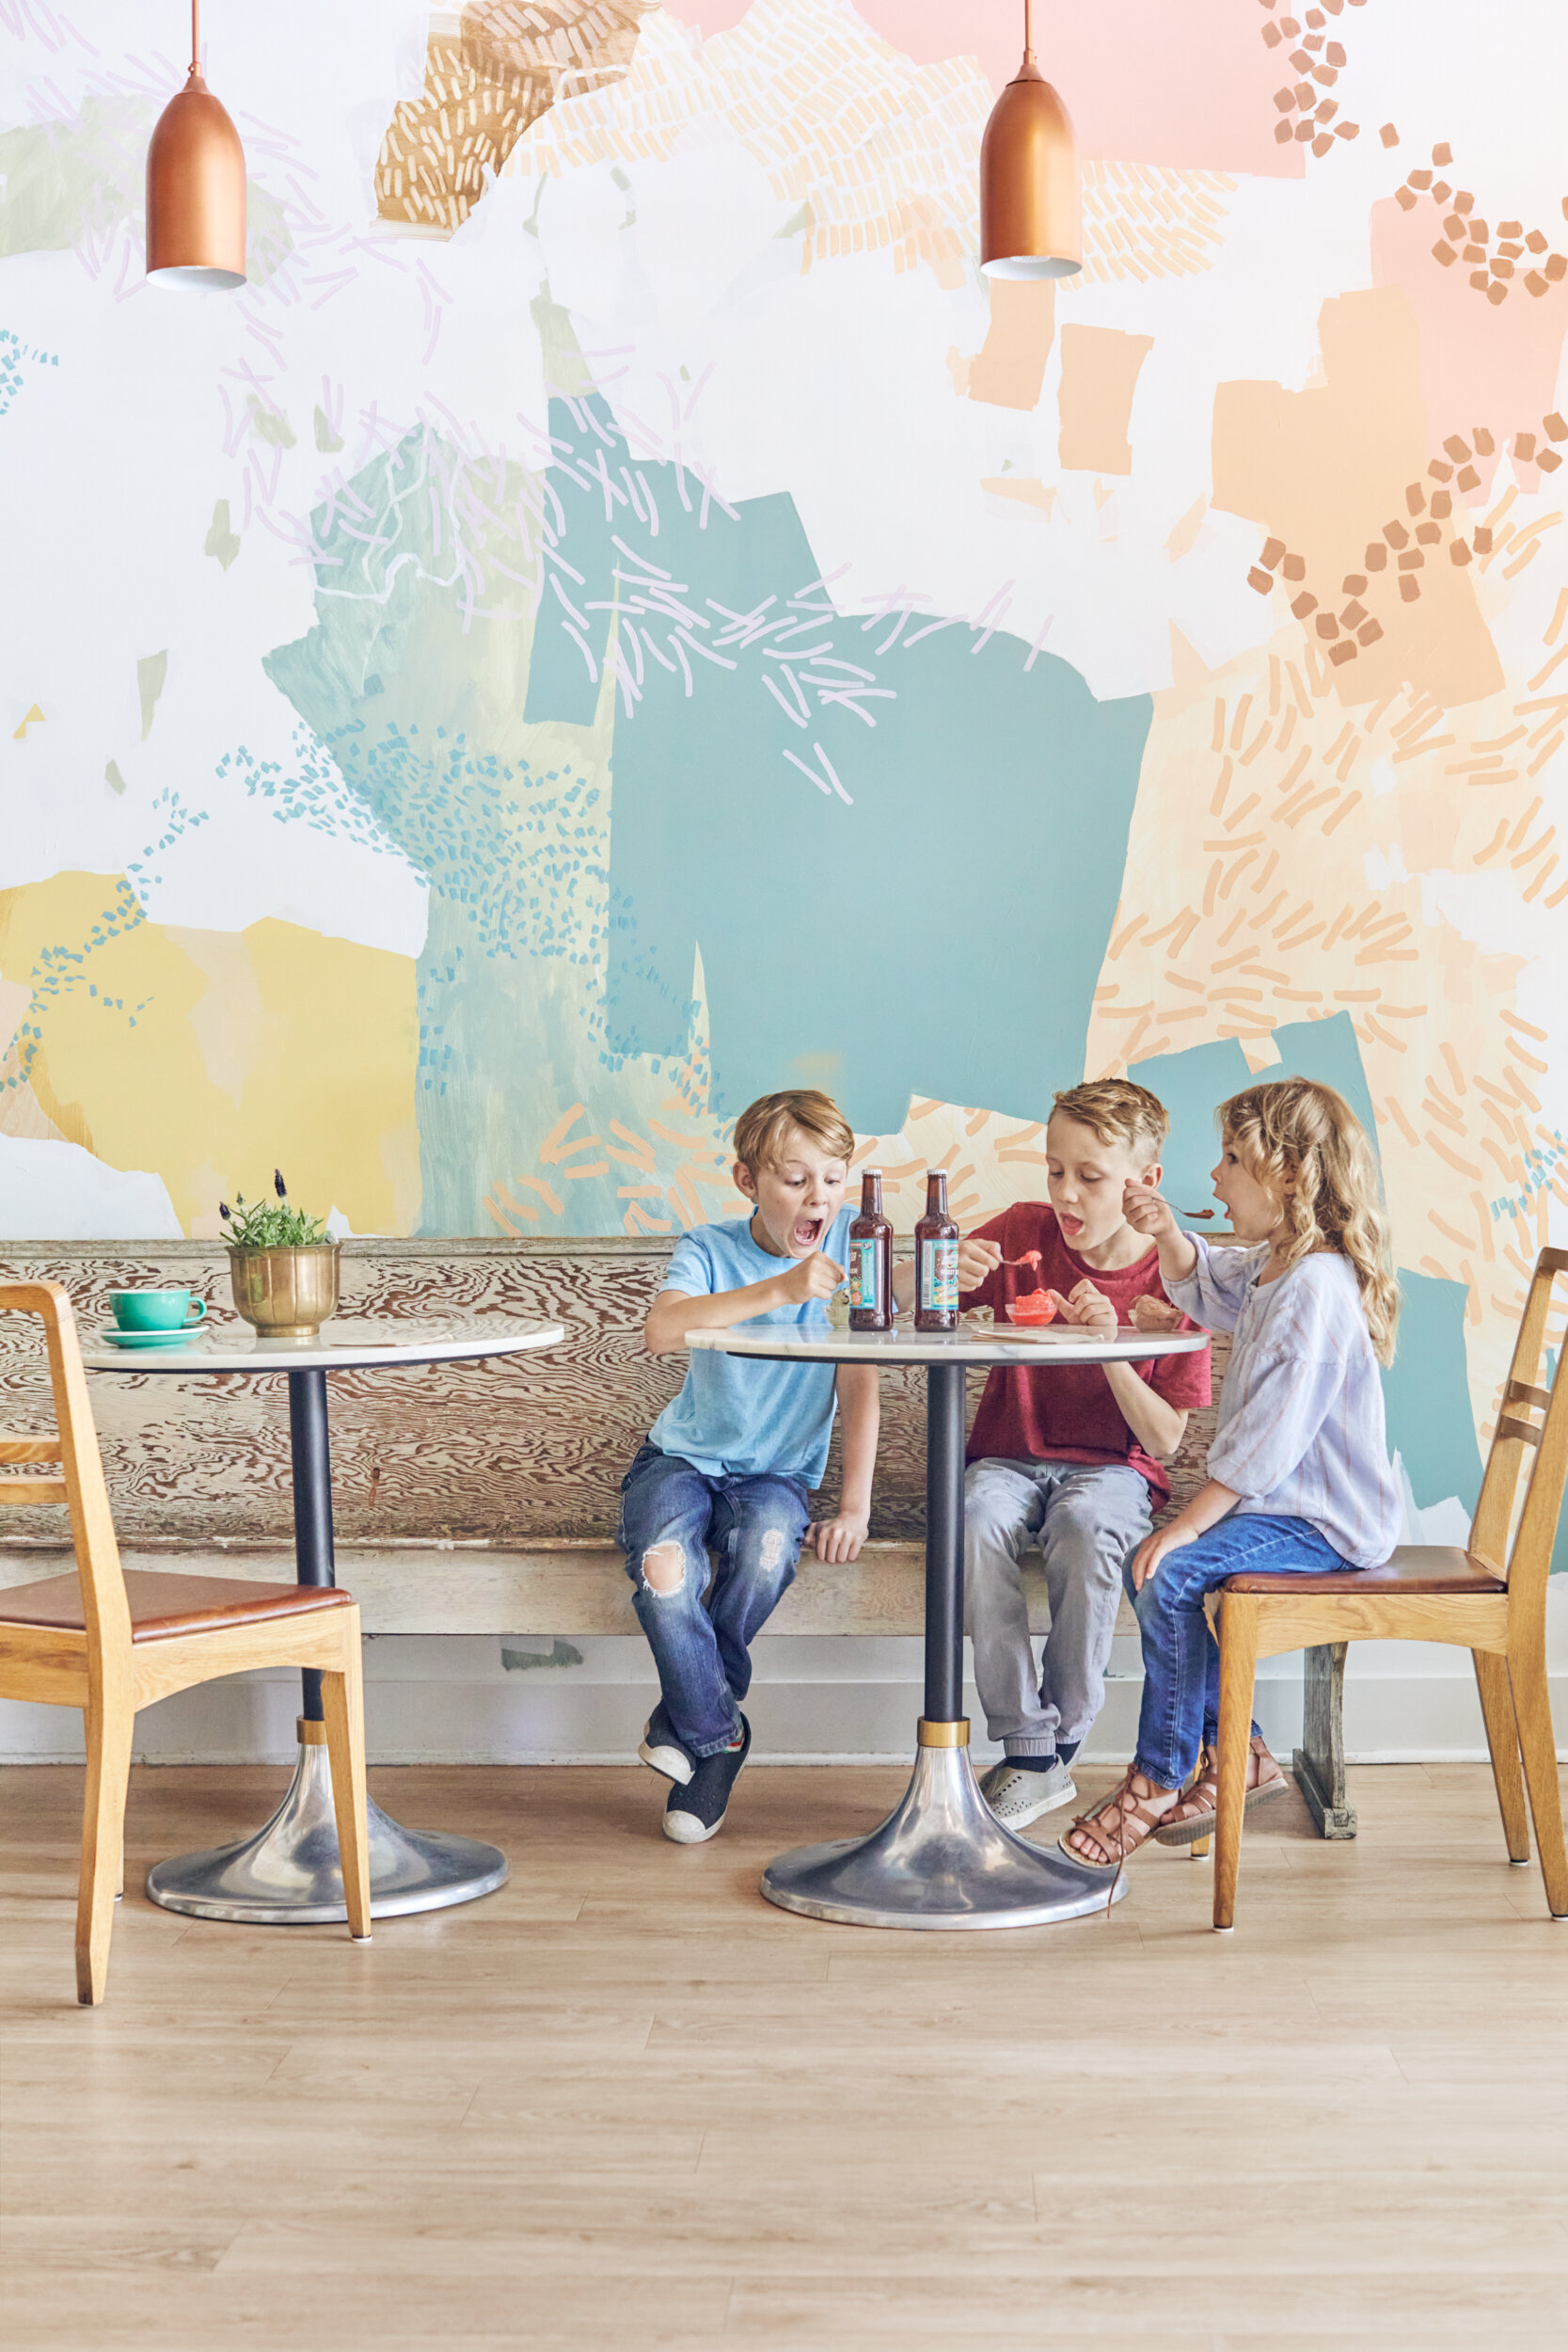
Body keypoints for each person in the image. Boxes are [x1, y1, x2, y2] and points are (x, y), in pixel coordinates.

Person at [1061, 1076, 1402, 1871]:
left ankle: (1159, 1775)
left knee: (1170, 1569)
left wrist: (1184, 1524)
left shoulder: (1314, 1287)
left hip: (1324, 1522)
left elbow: (1264, 1444)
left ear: (1287, 1174)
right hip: (1283, 1507)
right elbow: (1213, 1287)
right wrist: (1166, 1233)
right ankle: (1238, 1754)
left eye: (1229, 1159)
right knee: (1168, 1567)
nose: (1212, 1177)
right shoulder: (1279, 1265)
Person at [901, 1080, 1211, 1831]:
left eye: (1091, 1177)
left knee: (1089, 1527)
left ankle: (1063, 1736)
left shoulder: (1176, 1280)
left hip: (1112, 1468)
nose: (1066, 1195)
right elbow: (914, 1316)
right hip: (1008, 1458)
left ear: (1145, 1183)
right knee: (970, 1511)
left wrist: (1107, 1350)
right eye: (1055, 1171)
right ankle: (1029, 1745)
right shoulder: (1020, 1232)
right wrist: (945, 1280)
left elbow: (1166, 1438)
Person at [620, 1089, 879, 1844]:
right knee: (668, 1572)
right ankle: (717, 1736)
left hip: (776, 1480)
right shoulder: (707, 1248)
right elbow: (661, 1332)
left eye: (832, 1179)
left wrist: (854, 1507)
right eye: (796, 1178)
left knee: (766, 1553)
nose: (818, 1196)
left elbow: (861, 1388)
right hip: (680, 1463)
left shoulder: (854, 1264)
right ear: (747, 1181)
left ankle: (689, 1718)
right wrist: (780, 1290)